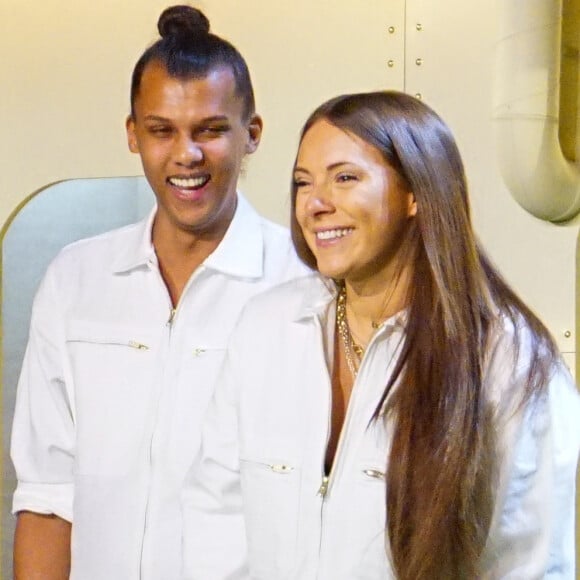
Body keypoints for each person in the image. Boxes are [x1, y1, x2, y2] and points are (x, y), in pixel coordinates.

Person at [182, 91, 580, 579]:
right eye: (303, 183)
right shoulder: (266, 329)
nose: (315, 204)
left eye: (345, 178)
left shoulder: (510, 361)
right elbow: (215, 522)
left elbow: (528, 568)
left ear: (416, 192)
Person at [10, 5, 305, 579]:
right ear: (132, 134)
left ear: (252, 134)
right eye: (161, 130)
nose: (186, 155)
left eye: (211, 130)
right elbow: (47, 496)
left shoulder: (302, 288)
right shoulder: (75, 280)